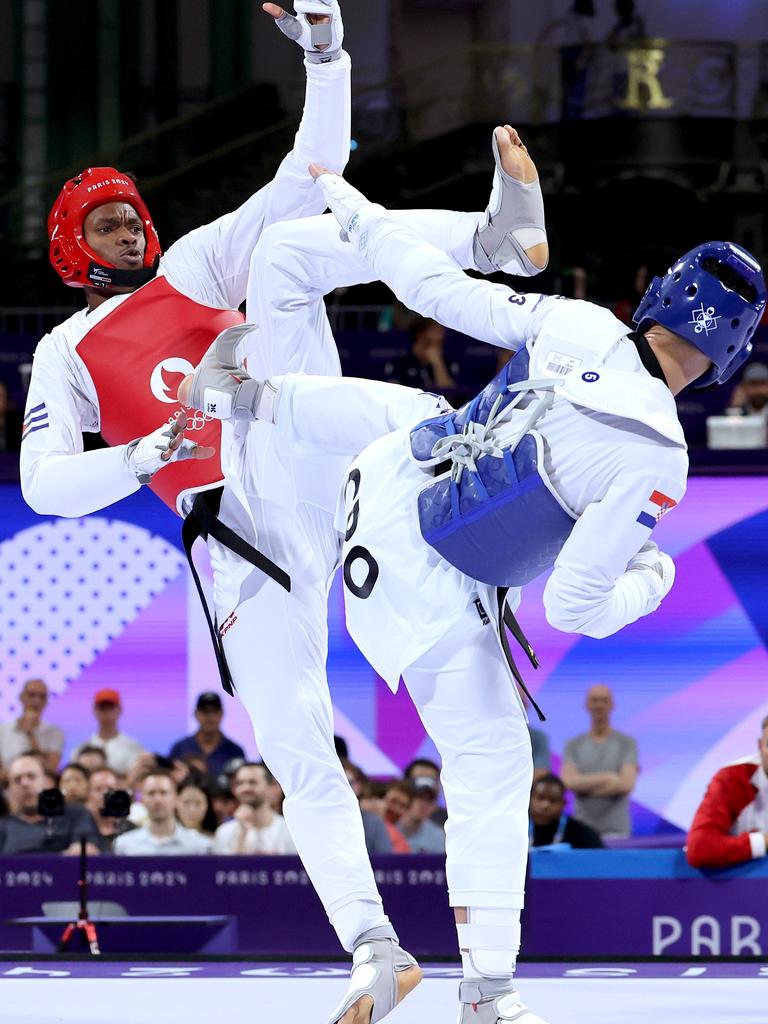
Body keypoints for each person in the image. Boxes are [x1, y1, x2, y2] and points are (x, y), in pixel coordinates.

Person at [181, 125, 765, 1022]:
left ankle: (243, 398)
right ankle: (487, 991)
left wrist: (353, 203)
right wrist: (652, 575)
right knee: (490, 761)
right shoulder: (657, 455)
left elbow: (431, 288)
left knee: (426, 408)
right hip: (426, 598)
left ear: (659, 296)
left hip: (376, 495)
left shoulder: (578, 322)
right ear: (732, 353)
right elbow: (574, 608)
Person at [20, 11, 427, 1019]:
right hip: (230, 539)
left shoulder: (195, 263)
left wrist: (326, 58)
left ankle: (447, 423)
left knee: (290, 242)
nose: (132, 225)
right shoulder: (63, 355)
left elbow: (313, 165)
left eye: (133, 213)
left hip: (291, 448)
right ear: (73, 247)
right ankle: (374, 946)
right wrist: (141, 454)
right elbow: (40, 485)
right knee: (296, 748)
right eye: (108, 221)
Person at [686, 716, 768, 870]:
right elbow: (700, 848)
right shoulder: (732, 778)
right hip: (739, 887)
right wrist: (764, 841)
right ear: (759, 746)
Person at [561, 685, 639, 839]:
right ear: (587, 704)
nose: (599, 705)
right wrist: (609, 778)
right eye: (594, 700)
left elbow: (626, 784)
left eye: (604, 700)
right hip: (582, 831)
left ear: (612, 705)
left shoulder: (627, 743)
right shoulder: (573, 744)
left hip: (617, 831)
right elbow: (568, 782)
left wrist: (583, 786)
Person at [0, 754, 100, 854]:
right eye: (17, 780)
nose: (25, 784)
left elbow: (87, 850)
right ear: (10, 789)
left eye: (31, 777)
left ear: (45, 782)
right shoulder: (3, 827)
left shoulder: (77, 815)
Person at [113, 770, 211, 855]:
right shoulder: (124, 846)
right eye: (151, 793)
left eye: (163, 793)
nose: (158, 800)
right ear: (142, 799)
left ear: (176, 798)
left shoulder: (200, 846)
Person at [212, 762, 296, 854]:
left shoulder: (289, 830)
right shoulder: (224, 833)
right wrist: (242, 834)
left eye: (252, 782)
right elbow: (227, 868)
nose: (246, 788)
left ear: (270, 786)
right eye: (240, 783)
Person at [0, 678, 65, 782]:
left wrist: (30, 734)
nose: (36, 701)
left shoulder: (55, 732)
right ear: (21, 697)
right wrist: (18, 776)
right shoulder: (2, 731)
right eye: (31, 695)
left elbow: (51, 771)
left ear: (46, 701)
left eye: (42, 696)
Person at [168, 691, 246, 776]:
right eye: (205, 711)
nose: (210, 717)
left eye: (214, 711)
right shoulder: (180, 748)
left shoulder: (234, 751)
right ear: (196, 714)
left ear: (221, 714)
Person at [72, 689, 145, 776]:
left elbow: (135, 779)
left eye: (110, 708)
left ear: (119, 710)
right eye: (102, 708)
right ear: (95, 711)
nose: (106, 713)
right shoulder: (81, 749)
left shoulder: (134, 748)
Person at [529, 773, 603, 849]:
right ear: (529, 799)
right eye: (540, 798)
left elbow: (600, 858)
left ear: (563, 804)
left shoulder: (582, 834)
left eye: (553, 800)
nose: (545, 805)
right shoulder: (518, 827)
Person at [390, 317, 456, 391]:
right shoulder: (399, 364)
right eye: (437, 331)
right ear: (420, 334)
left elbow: (451, 394)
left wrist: (437, 363)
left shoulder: (447, 363)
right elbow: (394, 395)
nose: (442, 337)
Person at [86, 766, 136, 852]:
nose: (105, 794)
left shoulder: (132, 831)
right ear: (88, 794)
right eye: (99, 789)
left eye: (110, 789)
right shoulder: (78, 830)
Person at [396, 777, 446, 854]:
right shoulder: (389, 827)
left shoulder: (437, 835)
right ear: (407, 798)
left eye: (429, 800)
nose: (424, 805)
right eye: (419, 797)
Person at [404, 757, 447, 826]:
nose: (425, 784)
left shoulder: (449, 820)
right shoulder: (392, 813)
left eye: (431, 779)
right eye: (419, 778)